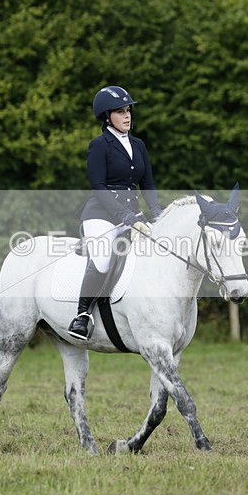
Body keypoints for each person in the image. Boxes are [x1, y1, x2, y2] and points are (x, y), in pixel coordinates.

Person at [68, 86, 162, 339]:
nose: (127, 115)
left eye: (128, 110)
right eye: (120, 112)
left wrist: (157, 213)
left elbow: (148, 184)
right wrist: (123, 215)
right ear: (107, 117)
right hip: (101, 216)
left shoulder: (138, 145)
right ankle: (82, 315)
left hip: (132, 217)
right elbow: (98, 186)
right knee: (102, 259)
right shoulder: (99, 146)